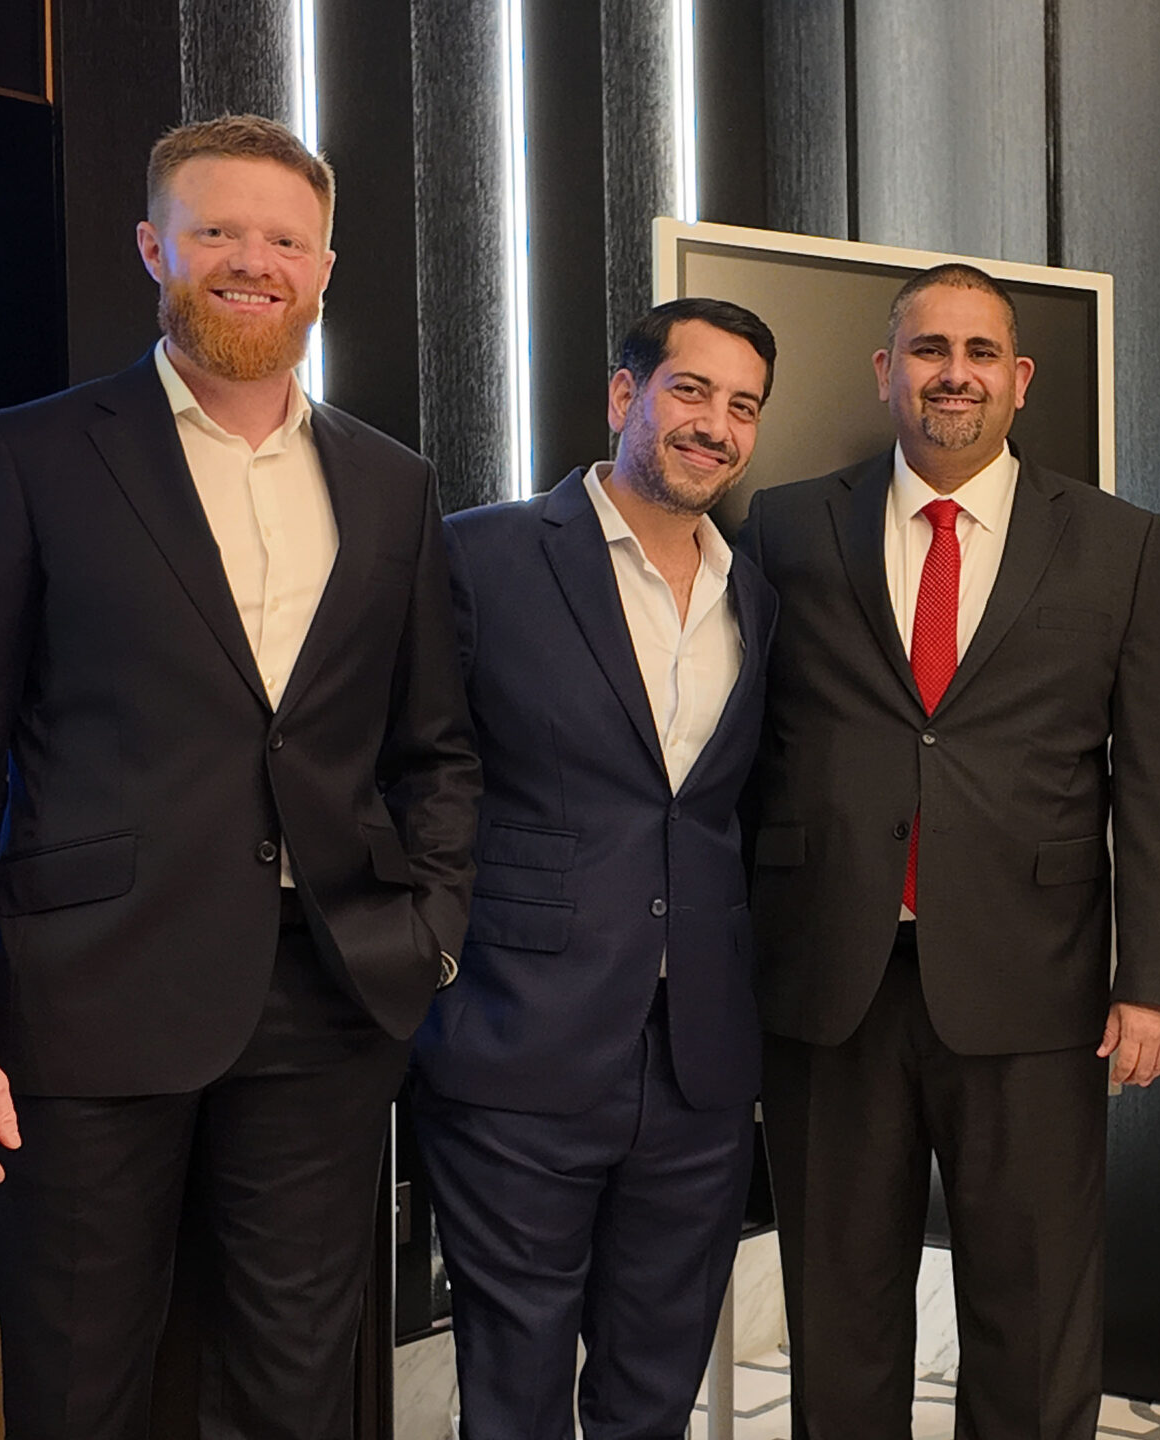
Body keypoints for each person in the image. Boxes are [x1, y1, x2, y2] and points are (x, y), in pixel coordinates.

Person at [0, 114, 479, 1440]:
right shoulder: (30, 454)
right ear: (155, 248)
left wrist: (430, 931)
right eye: (217, 231)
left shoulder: (393, 483)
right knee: (78, 1380)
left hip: (329, 1000)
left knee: (296, 1387)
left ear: (324, 269)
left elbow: (435, 746)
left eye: (285, 240)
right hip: (91, 999)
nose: (253, 261)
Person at [739, 263, 1160, 1440]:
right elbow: (738, 744)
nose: (955, 373)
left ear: (1021, 378)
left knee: (1033, 1315)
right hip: (827, 983)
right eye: (930, 349)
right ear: (885, 371)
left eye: (981, 351)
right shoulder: (786, 526)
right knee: (838, 1312)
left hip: (1035, 986)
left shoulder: (1116, 542)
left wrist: (1154, 980)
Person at [408, 298, 780, 1440]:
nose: (715, 424)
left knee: (653, 1386)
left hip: (698, 1062)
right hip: (518, 1039)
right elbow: (412, 773)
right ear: (626, 395)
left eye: (743, 406)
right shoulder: (479, 554)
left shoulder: (756, 593)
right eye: (690, 390)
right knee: (515, 1388)